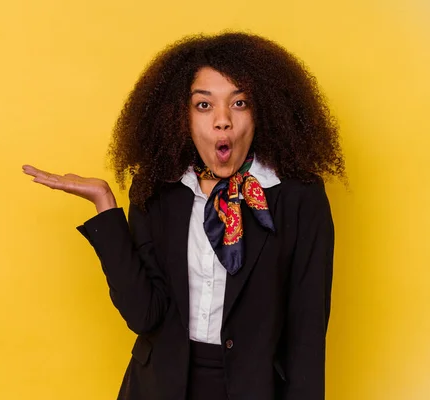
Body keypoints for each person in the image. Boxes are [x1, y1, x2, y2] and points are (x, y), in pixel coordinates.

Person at [23, 32, 345, 400]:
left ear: (263, 112)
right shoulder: (157, 189)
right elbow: (145, 315)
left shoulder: (300, 198)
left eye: (239, 103)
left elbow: (306, 336)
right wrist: (105, 206)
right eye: (204, 105)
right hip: (157, 388)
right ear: (181, 115)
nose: (222, 121)